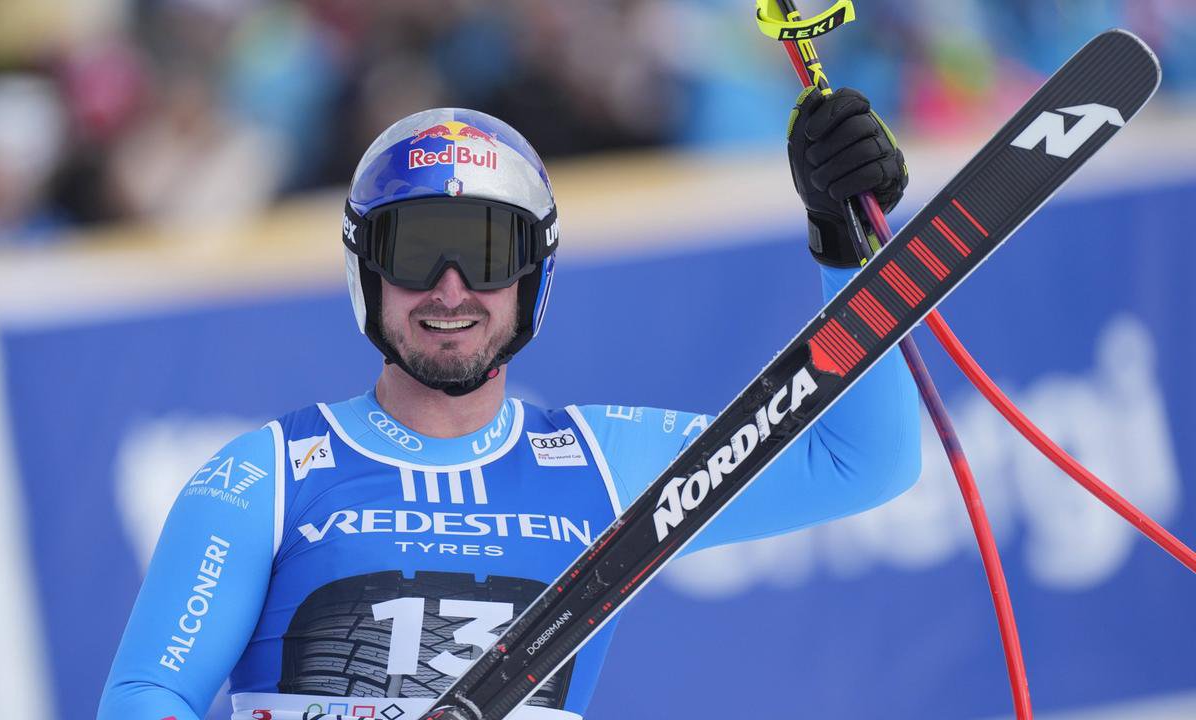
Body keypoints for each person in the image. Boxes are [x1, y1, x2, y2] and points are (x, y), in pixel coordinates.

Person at [98, 92, 918, 719]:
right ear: (367, 271)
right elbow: (146, 695)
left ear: (534, 277)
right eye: (417, 251)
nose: (451, 288)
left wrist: (847, 246)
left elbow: (860, 461)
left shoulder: (606, 465)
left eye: (490, 253)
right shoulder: (262, 478)